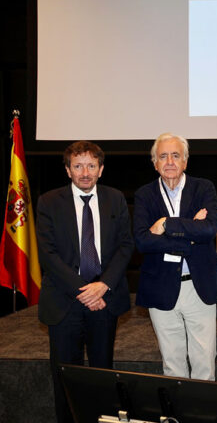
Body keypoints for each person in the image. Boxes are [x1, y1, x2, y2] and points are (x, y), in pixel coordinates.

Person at [37, 141, 133, 423]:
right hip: (65, 302)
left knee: (102, 374)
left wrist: (103, 286)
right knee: (66, 375)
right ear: (68, 170)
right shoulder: (49, 202)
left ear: (101, 169)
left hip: (105, 300)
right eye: (78, 166)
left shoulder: (115, 198)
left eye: (91, 166)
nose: (85, 172)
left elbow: (125, 246)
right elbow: (48, 253)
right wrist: (85, 291)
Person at [134, 133, 217, 380]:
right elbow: (142, 241)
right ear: (155, 163)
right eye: (163, 156)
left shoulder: (204, 188)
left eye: (175, 155)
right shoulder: (144, 194)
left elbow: (209, 229)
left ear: (185, 161)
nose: (169, 161)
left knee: (204, 362)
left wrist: (165, 224)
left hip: (198, 286)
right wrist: (189, 233)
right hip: (160, 287)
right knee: (172, 364)